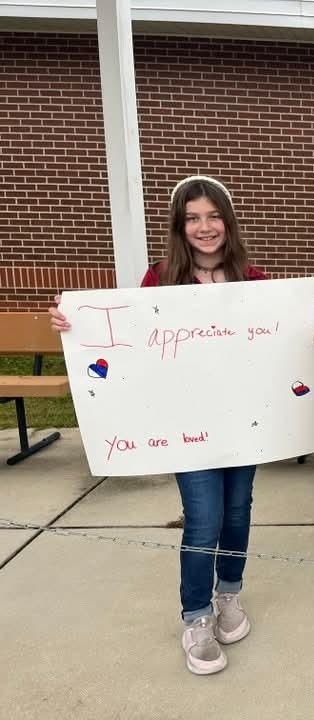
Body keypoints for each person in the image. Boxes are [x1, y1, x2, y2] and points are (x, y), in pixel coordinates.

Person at [50, 175, 267, 675]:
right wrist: (74, 322)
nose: (204, 227)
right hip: (186, 425)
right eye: (192, 218)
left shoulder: (255, 280)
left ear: (228, 222)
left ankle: (229, 592)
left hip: (245, 423)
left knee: (238, 511)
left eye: (213, 216)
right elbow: (127, 333)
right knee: (204, 517)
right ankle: (196, 616)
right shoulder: (162, 279)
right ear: (178, 225)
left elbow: (280, 340)